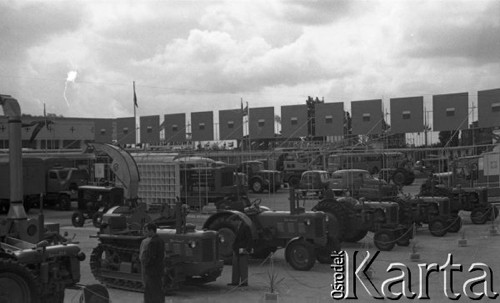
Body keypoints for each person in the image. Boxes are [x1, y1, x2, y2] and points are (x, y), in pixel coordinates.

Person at [140, 223, 165, 303]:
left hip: (152, 271)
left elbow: (151, 257)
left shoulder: (152, 242)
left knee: (150, 290)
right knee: (158, 289)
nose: (145, 233)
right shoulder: (161, 240)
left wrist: (145, 265)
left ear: (151, 231)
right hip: (159, 269)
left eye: (146, 231)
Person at [228, 221, 253, 287]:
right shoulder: (238, 227)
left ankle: (244, 282)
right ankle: (235, 281)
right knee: (236, 266)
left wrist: (247, 249)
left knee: (243, 266)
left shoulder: (245, 227)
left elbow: (249, 238)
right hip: (237, 249)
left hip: (243, 248)